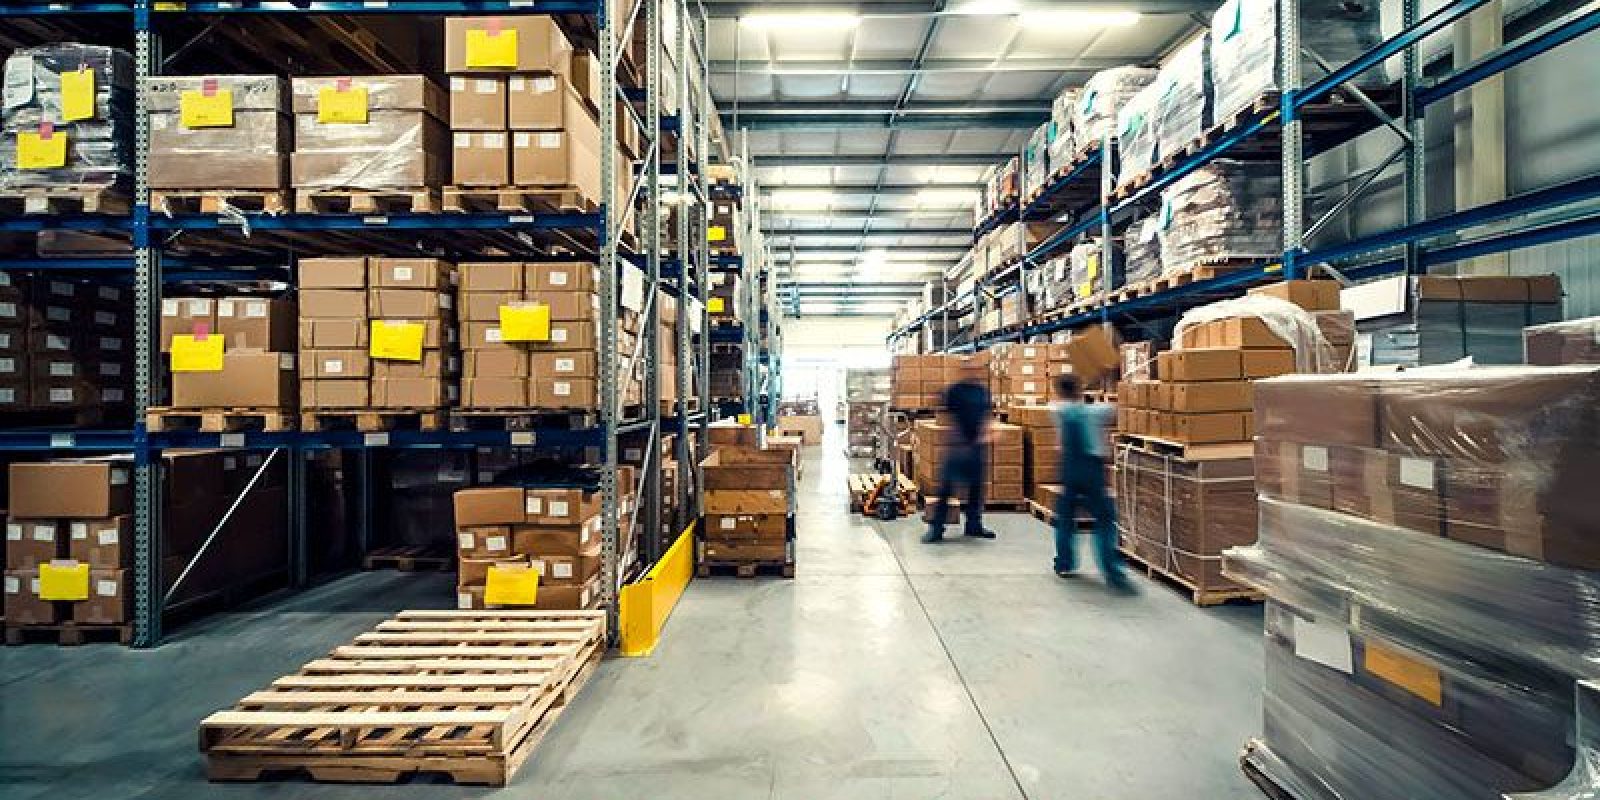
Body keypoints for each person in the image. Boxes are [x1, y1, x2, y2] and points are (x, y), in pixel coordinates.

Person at [1051, 374, 1131, 591]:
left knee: (1065, 518)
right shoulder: (1095, 412)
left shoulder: (1057, 412)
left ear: (1059, 392)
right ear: (1079, 391)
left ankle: (1064, 563)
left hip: (1068, 471)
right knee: (1104, 520)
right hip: (1091, 471)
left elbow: (1062, 407)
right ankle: (1111, 570)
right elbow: (1115, 408)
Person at [923, 359, 997, 543]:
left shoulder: (982, 392)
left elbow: (987, 416)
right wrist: (956, 441)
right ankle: (937, 528)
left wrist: (988, 432)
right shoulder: (954, 391)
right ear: (962, 371)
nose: (972, 371)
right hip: (957, 447)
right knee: (946, 488)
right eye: (968, 368)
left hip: (978, 447)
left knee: (977, 489)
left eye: (975, 368)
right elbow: (945, 416)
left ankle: (974, 526)